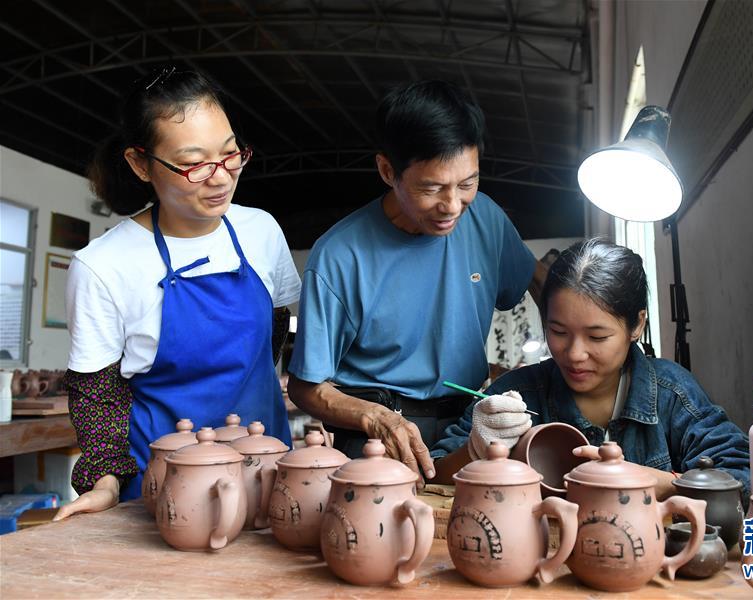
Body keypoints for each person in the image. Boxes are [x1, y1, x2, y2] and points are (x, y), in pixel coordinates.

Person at [55, 66, 301, 519]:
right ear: (140, 163)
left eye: (230, 154)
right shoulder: (103, 265)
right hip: (163, 492)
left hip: (264, 476)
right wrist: (104, 480)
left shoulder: (261, 231)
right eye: (194, 163)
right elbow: (97, 394)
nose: (221, 178)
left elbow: (274, 327)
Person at [287, 80, 546, 480]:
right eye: (432, 188)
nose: (453, 206)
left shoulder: (486, 218)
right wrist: (375, 418)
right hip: (380, 438)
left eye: (467, 183)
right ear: (388, 171)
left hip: (469, 425)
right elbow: (306, 387)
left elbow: (544, 285)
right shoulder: (339, 256)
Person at [432, 239, 751, 506]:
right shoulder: (517, 393)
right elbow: (435, 476)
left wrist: (660, 483)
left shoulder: (671, 393)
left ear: (637, 324)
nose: (574, 354)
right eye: (558, 331)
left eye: (597, 337)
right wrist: (475, 448)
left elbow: (742, 477)